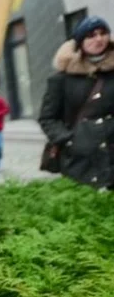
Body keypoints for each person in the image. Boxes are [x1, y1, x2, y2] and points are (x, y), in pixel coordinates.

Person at [39, 16, 114, 188]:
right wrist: (70, 140)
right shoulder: (61, 79)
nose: (99, 39)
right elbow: (47, 118)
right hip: (80, 161)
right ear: (80, 42)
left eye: (103, 33)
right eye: (91, 35)